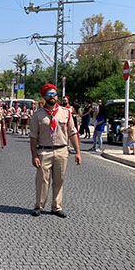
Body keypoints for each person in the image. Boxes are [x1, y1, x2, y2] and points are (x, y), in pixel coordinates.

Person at [30, 83, 81, 218]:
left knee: (59, 179)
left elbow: (72, 133)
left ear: (57, 97)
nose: (52, 96)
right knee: (42, 181)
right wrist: (34, 155)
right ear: (44, 97)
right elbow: (33, 136)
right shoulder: (37, 115)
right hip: (44, 151)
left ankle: (57, 207)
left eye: (54, 94)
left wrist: (78, 152)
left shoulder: (66, 113)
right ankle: (39, 206)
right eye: (49, 94)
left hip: (61, 150)